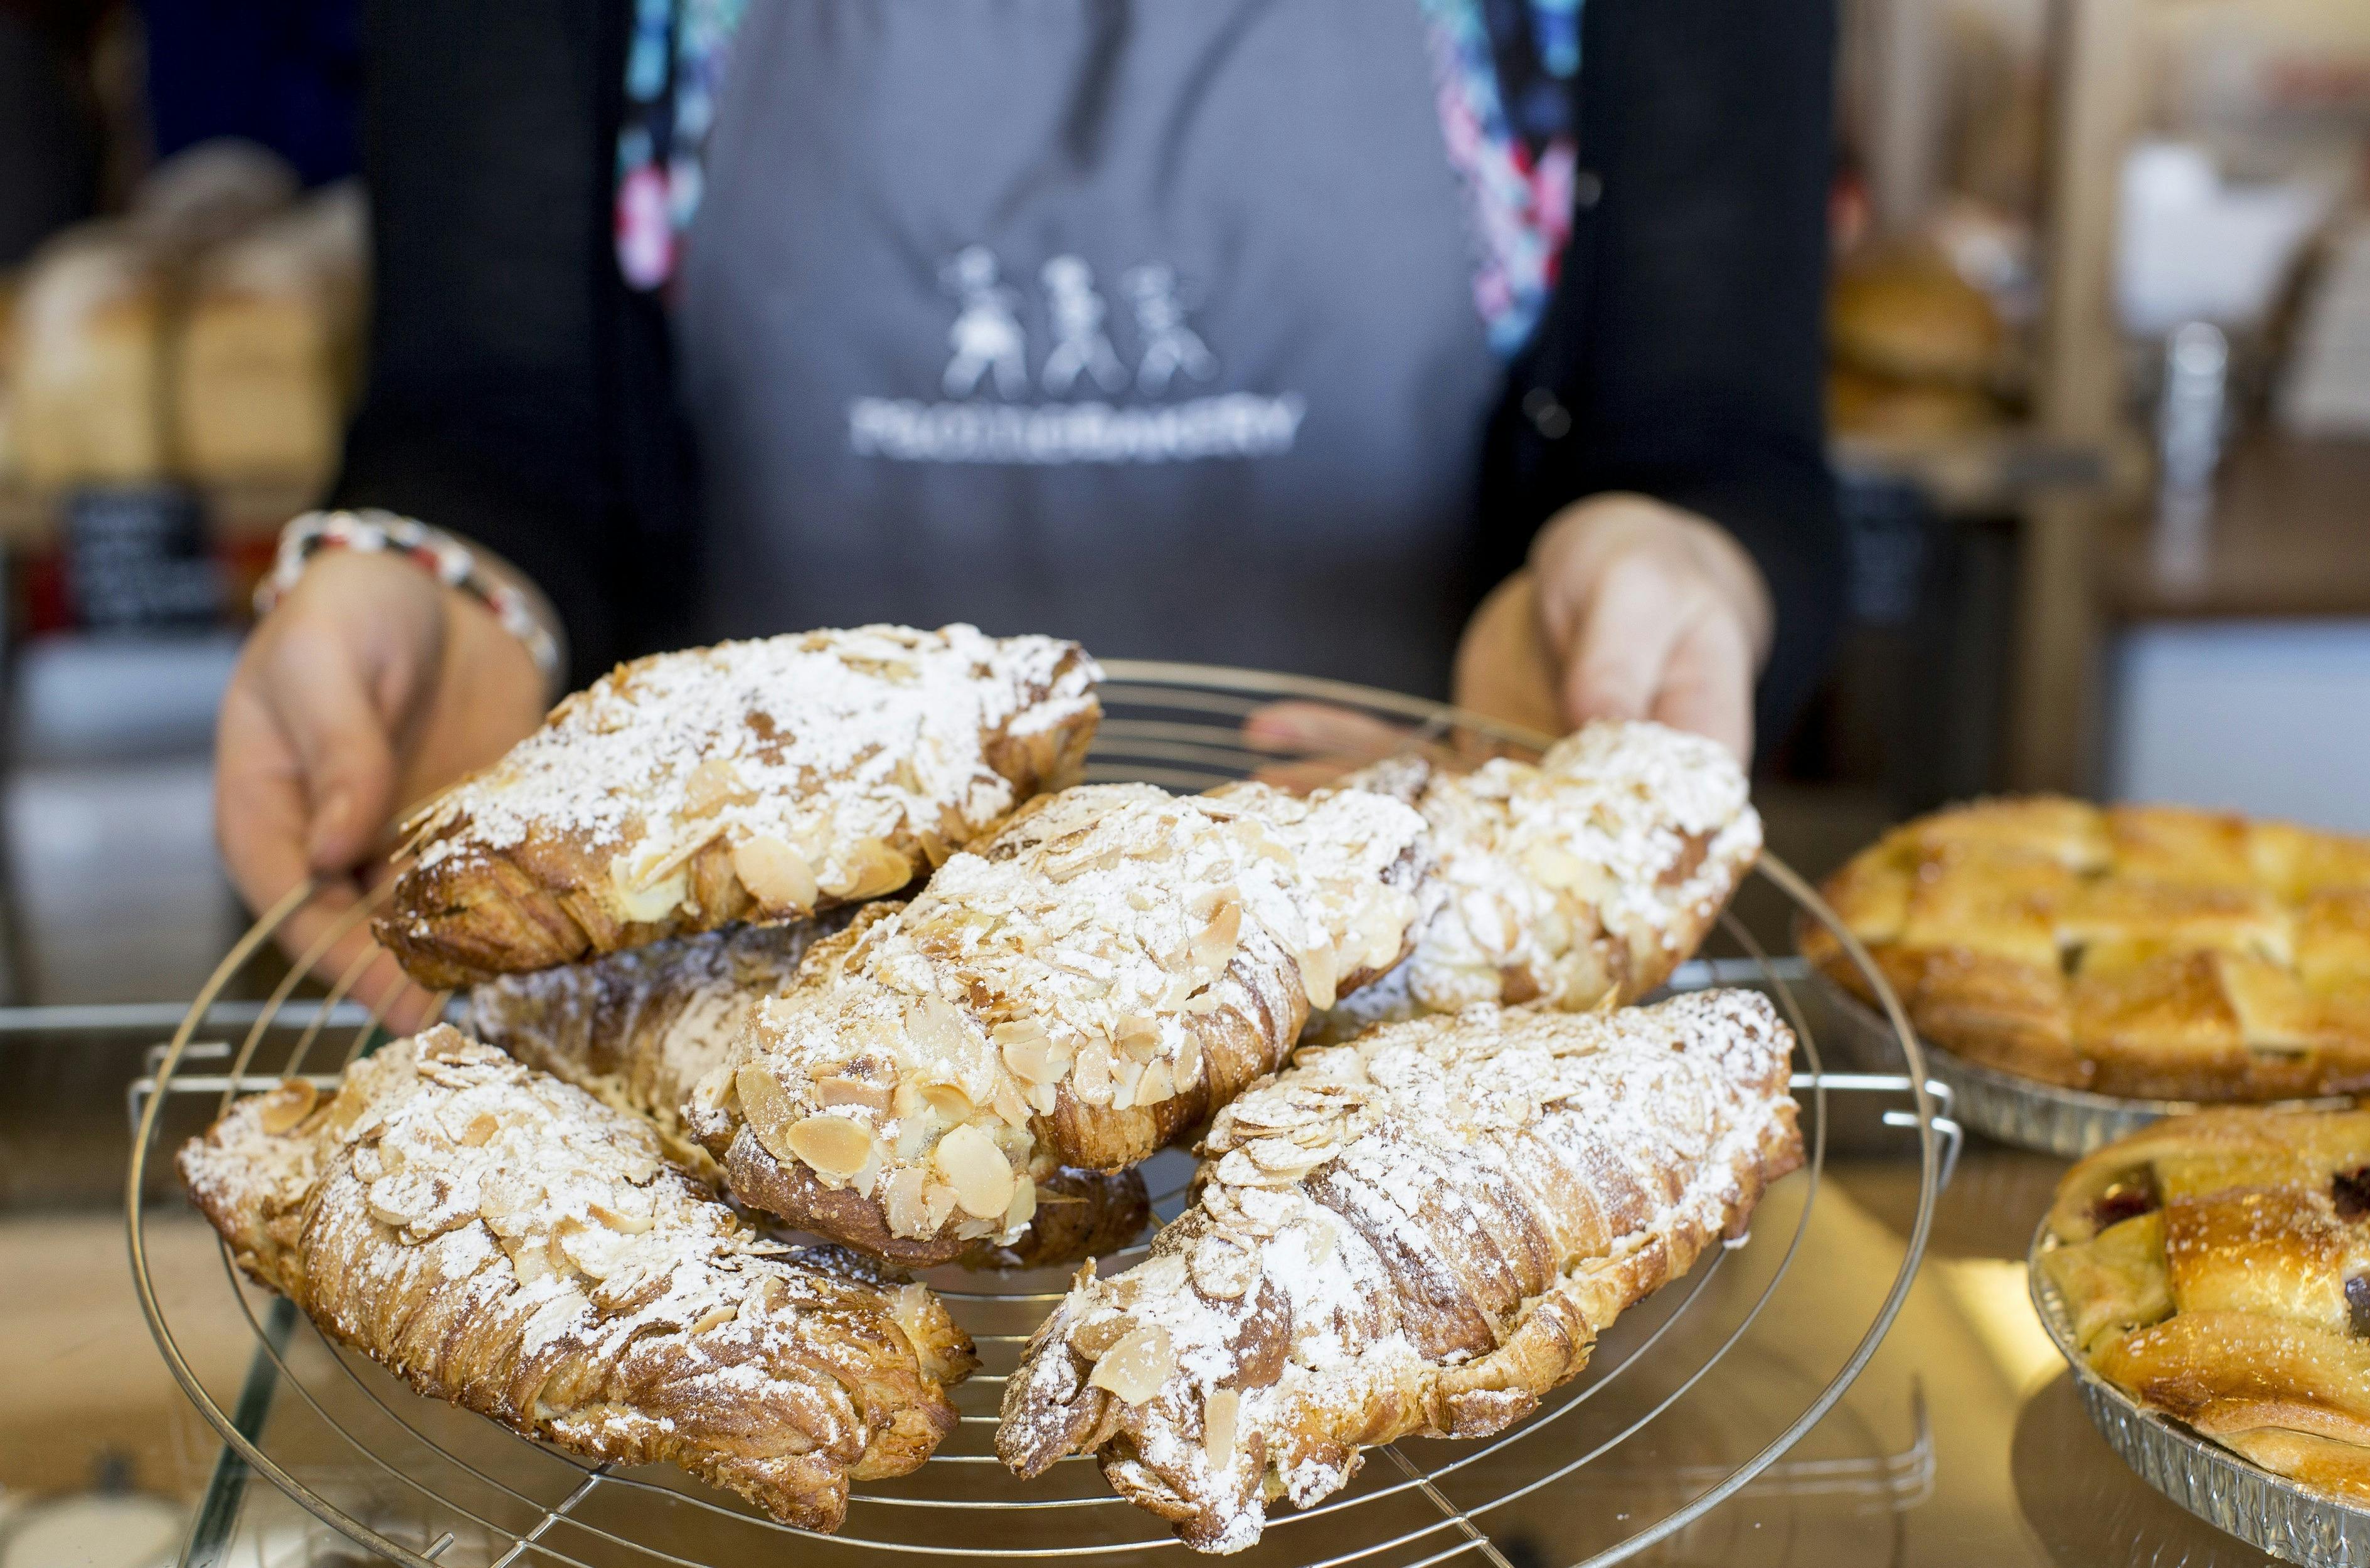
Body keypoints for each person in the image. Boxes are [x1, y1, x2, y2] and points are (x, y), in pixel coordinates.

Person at [215, 0, 1844, 1014]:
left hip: (1406, 1026)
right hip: (744, 1062)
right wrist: (438, 576)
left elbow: (1718, 444)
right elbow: (491, 407)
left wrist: (1672, 569)